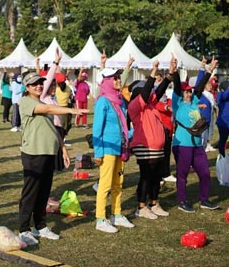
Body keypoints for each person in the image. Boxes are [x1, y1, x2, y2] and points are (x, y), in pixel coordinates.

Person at [18, 72, 87, 245]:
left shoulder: (41, 101)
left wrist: (62, 148)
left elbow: (52, 128)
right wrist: (71, 110)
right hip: (34, 153)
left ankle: (40, 226)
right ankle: (23, 229)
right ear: (27, 87)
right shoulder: (26, 102)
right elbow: (49, 109)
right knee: (31, 193)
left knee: (44, 192)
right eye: (34, 84)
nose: (39, 86)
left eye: (41, 83)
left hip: (48, 152)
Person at [170, 56, 219, 213]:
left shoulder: (194, 100)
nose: (188, 94)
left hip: (197, 144)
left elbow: (200, 86)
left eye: (189, 92)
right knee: (182, 174)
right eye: (185, 92)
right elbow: (177, 86)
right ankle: (182, 201)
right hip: (182, 144)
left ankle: (204, 199)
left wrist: (209, 71)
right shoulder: (177, 102)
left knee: (204, 173)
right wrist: (175, 71)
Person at [92, 67, 135, 233]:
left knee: (118, 183)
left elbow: (123, 125)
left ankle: (116, 214)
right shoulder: (103, 101)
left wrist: (131, 134)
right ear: (107, 82)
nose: (119, 80)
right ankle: (100, 218)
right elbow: (97, 129)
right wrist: (98, 152)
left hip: (120, 147)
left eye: (119, 77)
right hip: (108, 148)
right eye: (115, 78)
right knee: (105, 184)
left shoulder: (119, 100)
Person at [127, 60, 171, 220]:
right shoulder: (134, 105)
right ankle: (141, 206)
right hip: (144, 146)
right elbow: (147, 93)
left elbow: (158, 91)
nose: (150, 93)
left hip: (157, 147)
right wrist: (153, 72)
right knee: (146, 176)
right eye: (146, 91)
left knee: (156, 177)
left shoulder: (151, 105)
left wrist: (169, 76)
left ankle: (154, 203)